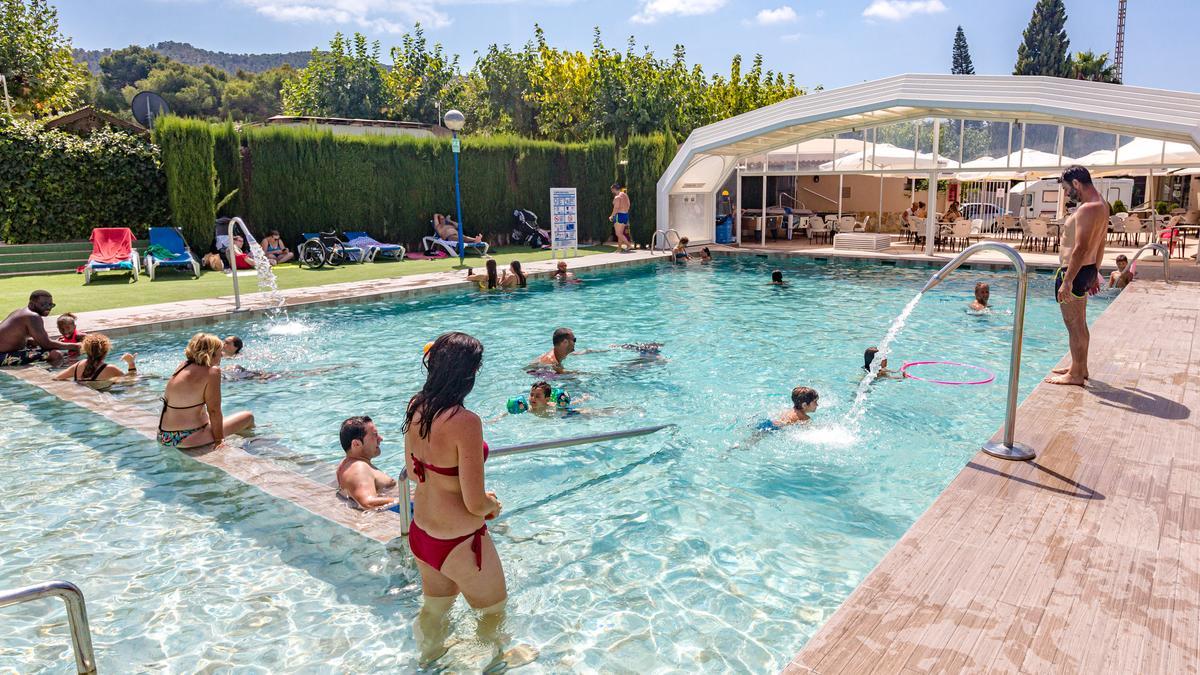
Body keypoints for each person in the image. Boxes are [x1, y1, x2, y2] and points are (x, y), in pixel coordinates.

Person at [402, 332, 509, 666]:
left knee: (435, 611)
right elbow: (475, 503)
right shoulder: (466, 422)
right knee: (493, 616)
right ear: (468, 373)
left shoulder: (415, 406)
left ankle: (428, 661)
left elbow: (415, 472)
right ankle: (495, 669)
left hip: (423, 534)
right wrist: (493, 504)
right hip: (460, 542)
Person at [1049, 165, 1107, 386]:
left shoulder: (1085, 210)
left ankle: (1075, 375)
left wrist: (1067, 281)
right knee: (1081, 323)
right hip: (1088, 269)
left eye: (1066, 188)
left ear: (1076, 183)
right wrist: (1095, 272)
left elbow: (1080, 248)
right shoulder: (1102, 204)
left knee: (1073, 324)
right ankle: (1079, 367)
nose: (1066, 194)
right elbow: (1101, 241)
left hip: (1073, 271)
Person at [158, 333, 255, 448]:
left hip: (164, 436)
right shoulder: (213, 372)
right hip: (186, 438)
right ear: (211, 353)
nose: (222, 355)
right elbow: (214, 411)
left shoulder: (182, 366)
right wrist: (219, 441)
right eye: (220, 351)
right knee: (248, 417)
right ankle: (246, 446)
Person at [0, 291, 79, 367]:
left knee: (40, 346)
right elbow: (46, 344)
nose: (48, 307)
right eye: (43, 304)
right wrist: (76, 346)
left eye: (51, 305)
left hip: (6, 352)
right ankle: (54, 377)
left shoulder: (20, 311)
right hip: (2, 356)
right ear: (31, 303)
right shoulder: (32, 316)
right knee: (55, 354)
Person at [336, 415, 397, 510]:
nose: (380, 438)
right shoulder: (359, 468)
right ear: (356, 444)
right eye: (375, 435)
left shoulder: (346, 464)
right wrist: (408, 500)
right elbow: (368, 502)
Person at [52, 334, 136, 389]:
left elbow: (56, 378)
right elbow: (131, 383)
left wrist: (76, 385)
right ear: (106, 350)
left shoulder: (78, 365)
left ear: (85, 349)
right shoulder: (110, 369)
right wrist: (131, 364)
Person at [609, 183, 633, 251]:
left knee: (618, 233)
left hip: (619, 215)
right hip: (625, 215)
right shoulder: (625, 195)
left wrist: (612, 216)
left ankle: (628, 245)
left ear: (614, 189)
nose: (611, 191)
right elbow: (628, 204)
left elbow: (616, 208)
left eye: (612, 190)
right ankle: (619, 249)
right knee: (620, 234)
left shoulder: (617, 197)